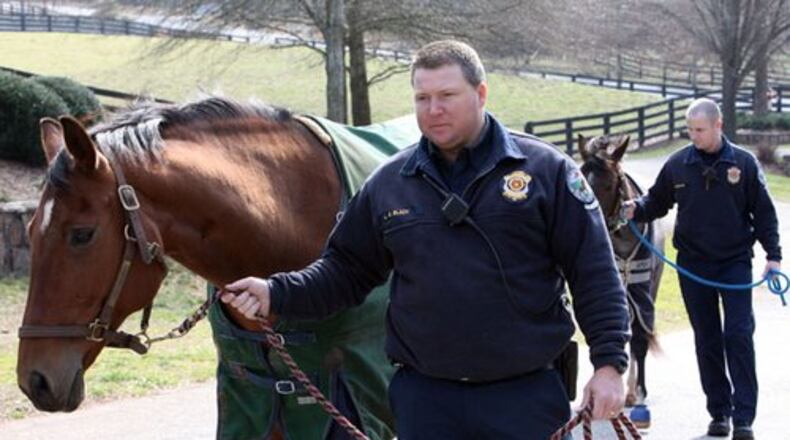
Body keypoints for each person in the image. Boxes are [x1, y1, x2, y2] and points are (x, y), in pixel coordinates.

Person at [222, 40, 630, 439]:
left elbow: (593, 272)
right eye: (422, 98)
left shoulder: (546, 172)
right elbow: (345, 271)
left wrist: (610, 364)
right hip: (426, 400)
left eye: (447, 95)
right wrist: (276, 291)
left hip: (525, 396)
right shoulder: (389, 184)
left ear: (480, 93)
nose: (433, 110)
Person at [623, 98, 781, 440]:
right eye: (690, 129)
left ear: (718, 126)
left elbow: (765, 214)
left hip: (734, 263)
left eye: (699, 130)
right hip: (694, 265)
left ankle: (743, 419)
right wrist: (637, 208)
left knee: (738, 335)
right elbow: (657, 202)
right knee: (707, 339)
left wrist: (774, 256)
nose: (693, 136)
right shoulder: (679, 164)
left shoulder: (743, 163)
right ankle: (719, 413)